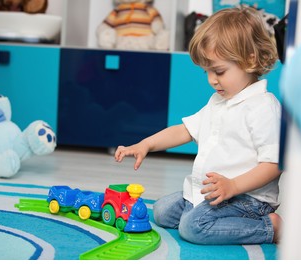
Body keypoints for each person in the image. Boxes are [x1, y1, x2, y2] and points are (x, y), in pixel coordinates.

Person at [114, 6, 282, 245]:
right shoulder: (219, 101)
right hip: (212, 193)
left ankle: (269, 227)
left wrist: (233, 185)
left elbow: (274, 164)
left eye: (219, 71)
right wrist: (146, 144)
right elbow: (184, 130)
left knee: (192, 228)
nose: (212, 80)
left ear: (250, 60)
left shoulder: (263, 107)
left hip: (249, 198)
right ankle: (205, 216)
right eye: (207, 72)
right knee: (161, 211)